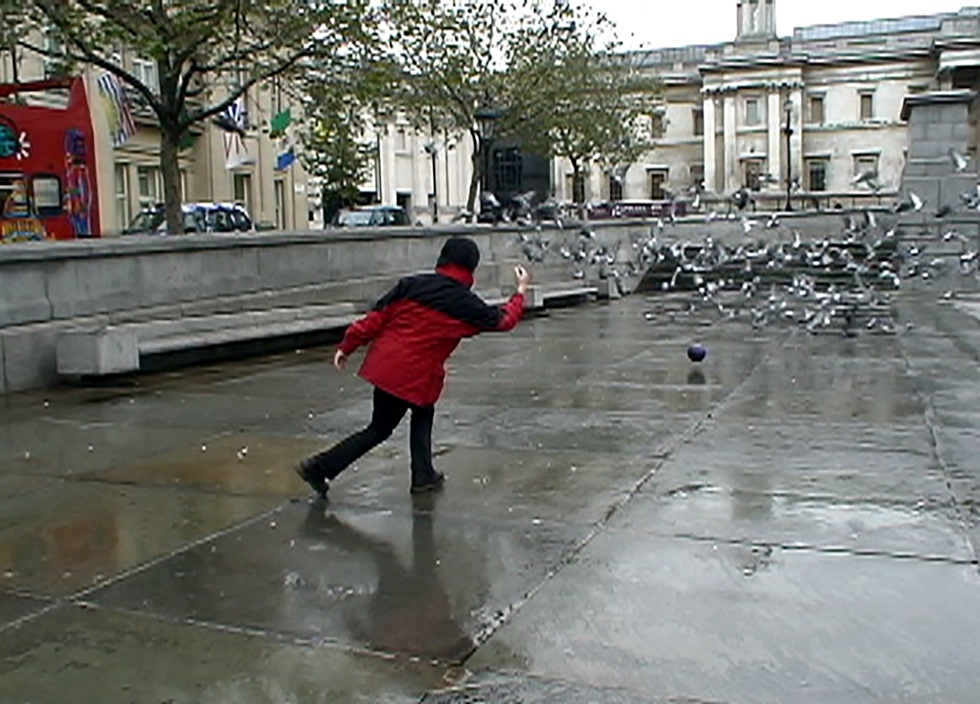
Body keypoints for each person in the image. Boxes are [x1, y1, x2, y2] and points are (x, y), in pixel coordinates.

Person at [295, 236, 530, 498]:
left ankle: (424, 474)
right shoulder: (466, 304)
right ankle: (320, 466)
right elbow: (504, 320)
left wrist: (348, 345)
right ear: (471, 268)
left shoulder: (411, 285)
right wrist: (520, 292)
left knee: (418, 412)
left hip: (386, 367)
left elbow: (376, 317)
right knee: (382, 428)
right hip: (415, 376)